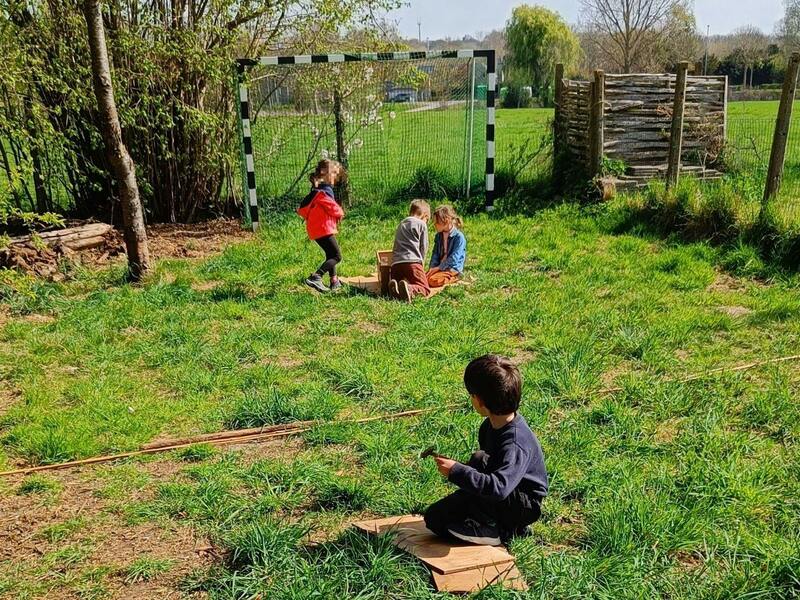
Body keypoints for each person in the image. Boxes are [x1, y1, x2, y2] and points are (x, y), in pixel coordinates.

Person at [423, 354, 548, 546]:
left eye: (471, 395)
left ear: (480, 400)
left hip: (522, 505)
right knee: (434, 517)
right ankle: (488, 520)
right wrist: (462, 469)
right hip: (501, 493)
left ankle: (500, 531)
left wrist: (457, 472)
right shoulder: (489, 427)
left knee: (441, 524)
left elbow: (499, 488)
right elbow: (487, 466)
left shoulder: (515, 442)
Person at [297, 159, 346, 293]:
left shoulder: (317, 189)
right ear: (324, 172)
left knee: (330, 254)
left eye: (337, 174)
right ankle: (316, 277)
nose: (335, 177)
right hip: (323, 228)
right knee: (336, 256)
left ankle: (334, 281)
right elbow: (331, 206)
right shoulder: (324, 190)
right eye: (333, 173)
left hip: (317, 228)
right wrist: (340, 213)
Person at [389, 199, 431, 302]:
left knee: (400, 282)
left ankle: (395, 286)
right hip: (412, 262)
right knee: (425, 288)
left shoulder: (401, 223)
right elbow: (424, 246)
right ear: (425, 215)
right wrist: (421, 264)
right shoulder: (421, 224)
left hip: (396, 264)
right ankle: (409, 289)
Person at [427, 204, 466, 288]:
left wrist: (438, 268)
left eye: (437, 222)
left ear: (446, 221)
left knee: (433, 281)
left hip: (452, 268)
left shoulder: (459, 237)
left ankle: (456, 277)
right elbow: (435, 254)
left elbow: (454, 259)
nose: (434, 224)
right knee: (423, 278)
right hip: (440, 267)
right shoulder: (438, 236)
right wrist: (432, 268)